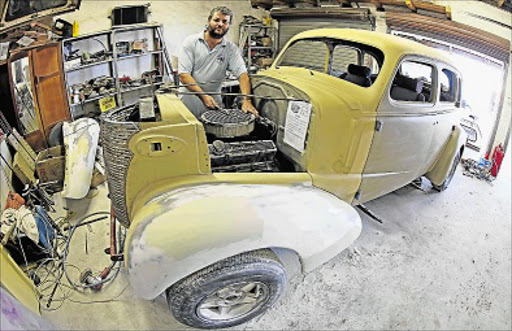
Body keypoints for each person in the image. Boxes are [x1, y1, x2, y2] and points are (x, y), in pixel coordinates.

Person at [178, 6, 259, 118]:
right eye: (216, 20)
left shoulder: (230, 49)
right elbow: (183, 75)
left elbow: (242, 74)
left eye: (225, 21)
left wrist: (246, 99)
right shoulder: (191, 42)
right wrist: (204, 96)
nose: (220, 24)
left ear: (229, 25)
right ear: (209, 21)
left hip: (213, 107)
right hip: (187, 106)